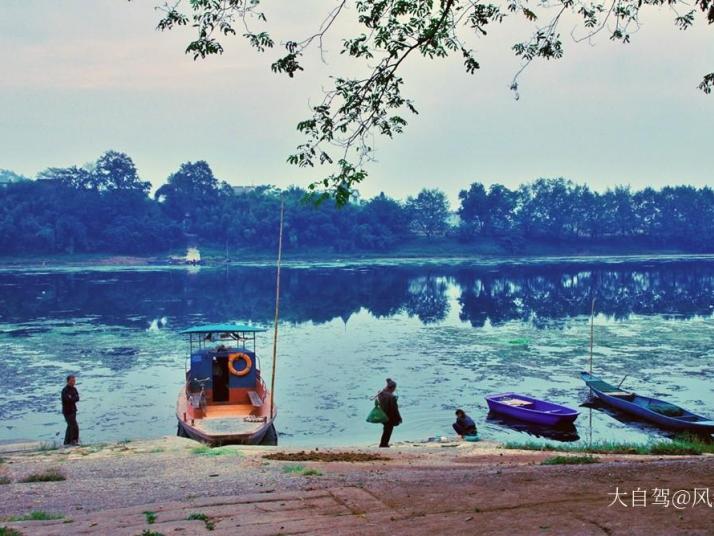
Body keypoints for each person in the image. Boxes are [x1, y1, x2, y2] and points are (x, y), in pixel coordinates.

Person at [377, 378, 402, 447]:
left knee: (386, 429)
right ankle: (384, 444)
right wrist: (399, 418)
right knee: (388, 430)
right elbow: (394, 409)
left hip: (383, 414)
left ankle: (383, 443)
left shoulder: (381, 393)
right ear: (393, 388)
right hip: (390, 416)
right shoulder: (391, 397)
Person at [61, 375, 80, 446]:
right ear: (68, 381)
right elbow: (67, 400)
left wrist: (72, 398)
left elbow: (77, 398)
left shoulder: (74, 389)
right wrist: (72, 398)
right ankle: (73, 441)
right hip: (67, 411)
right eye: (72, 381)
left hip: (73, 410)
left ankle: (66, 442)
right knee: (74, 426)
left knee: (70, 426)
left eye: (74, 381)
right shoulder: (65, 390)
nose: (73, 382)